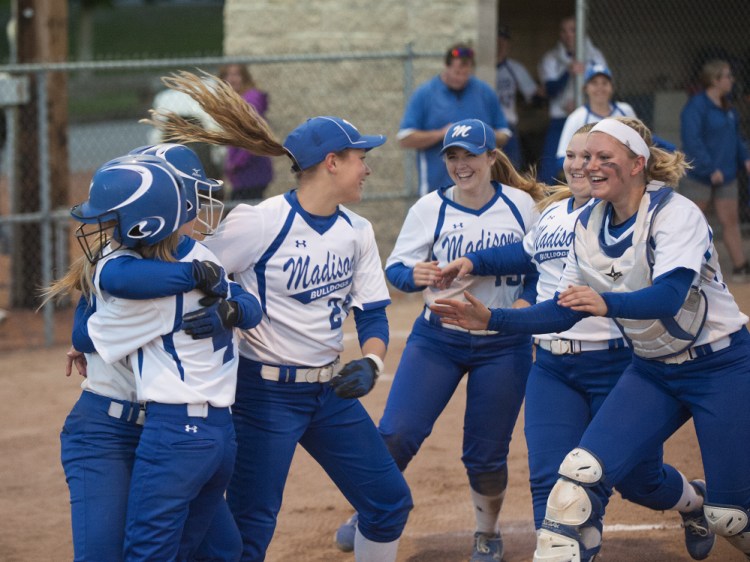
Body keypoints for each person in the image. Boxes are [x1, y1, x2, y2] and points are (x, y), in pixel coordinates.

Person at [430, 117, 750, 562]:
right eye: (583, 156)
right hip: (651, 369)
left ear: (638, 163)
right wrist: (492, 319)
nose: (590, 166)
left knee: (730, 516)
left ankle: (702, 504)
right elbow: (563, 308)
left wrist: (606, 303)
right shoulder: (584, 224)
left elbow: (669, 297)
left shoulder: (676, 214)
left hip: (718, 366)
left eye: (603, 157)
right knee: (575, 481)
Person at [144, 70, 413, 562]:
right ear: (331, 163)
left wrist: (371, 363)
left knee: (389, 503)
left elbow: (372, 313)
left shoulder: (358, 230)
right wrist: (220, 310)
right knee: (251, 531)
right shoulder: (260, 222)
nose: (367, 168)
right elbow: (190, 274)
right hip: (264, 396)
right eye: (360, 158)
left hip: (329, 392)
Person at [335, 118, 545, 562]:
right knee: (396, 433)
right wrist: (413, 275)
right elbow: (396, 271)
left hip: (502, 341)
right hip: (438, 339)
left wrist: (524, 309)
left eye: (471, 154)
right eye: (452, 155)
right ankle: (370, 511)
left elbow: (539, 269)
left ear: (492, 157)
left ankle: (487, 533)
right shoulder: (430, 208)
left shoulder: (522, 205)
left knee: (486, 452)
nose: (461, 164)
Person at [44, 147, 248, 561]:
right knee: (106, 554)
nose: (198, 206)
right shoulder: (127, 270)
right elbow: (87, 331)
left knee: (221, 550)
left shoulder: (188, 256)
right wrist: (191, 282)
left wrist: (230, 310)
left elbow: (244, 301)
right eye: (189, 196)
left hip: (168, 431)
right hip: (111, 428)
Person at [398, 42, 511, 196]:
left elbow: (504, 134)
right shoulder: (425, 94)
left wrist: (480, 135)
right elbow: (405, 138)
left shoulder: (485, 92)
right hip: (436, 187)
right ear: (446, 66)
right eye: (457, 72)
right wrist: (443, 134)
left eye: (466, 73)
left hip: (480, 190)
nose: (461, 78)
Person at [680, 58, 750, 282]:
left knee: (730, 219)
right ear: (714, 79)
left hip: (726, 173)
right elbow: (692, 140)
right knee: (694, 221)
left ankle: (741, 266)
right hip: (700, 175)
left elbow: (735, 137)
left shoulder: (727, 106)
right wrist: (709, 168)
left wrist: (746, 158)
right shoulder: (696, 106)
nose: (731, 80)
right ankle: (686, 267)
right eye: (727, 76)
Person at [537, 15, 607, 184]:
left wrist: (584, 104)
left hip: (588, 119)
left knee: (592, 165)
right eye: (564, 31)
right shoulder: (552, 57)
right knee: (550, 166)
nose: (568, 35)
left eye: (573, 30)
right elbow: (550, 89)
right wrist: (568, 71)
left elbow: (604, 86)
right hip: (560, 119)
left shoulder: (595, 56)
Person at [218, 63, 274, 201]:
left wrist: (236, 164)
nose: (232, 79)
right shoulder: (235, 100)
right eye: (228, 75)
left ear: (244, 77)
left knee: (234, 215)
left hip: (251, 169)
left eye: (236, 74)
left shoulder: (250, 100)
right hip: (243, 171)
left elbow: (253, 136)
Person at [495, 25, 543, 169]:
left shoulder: (514, 68)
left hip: (508, 125)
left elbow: (535, 98)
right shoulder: (480, 68)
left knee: (512, 169)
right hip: (485, 125)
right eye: (497, 40)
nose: (500, 45)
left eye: (503, 41)